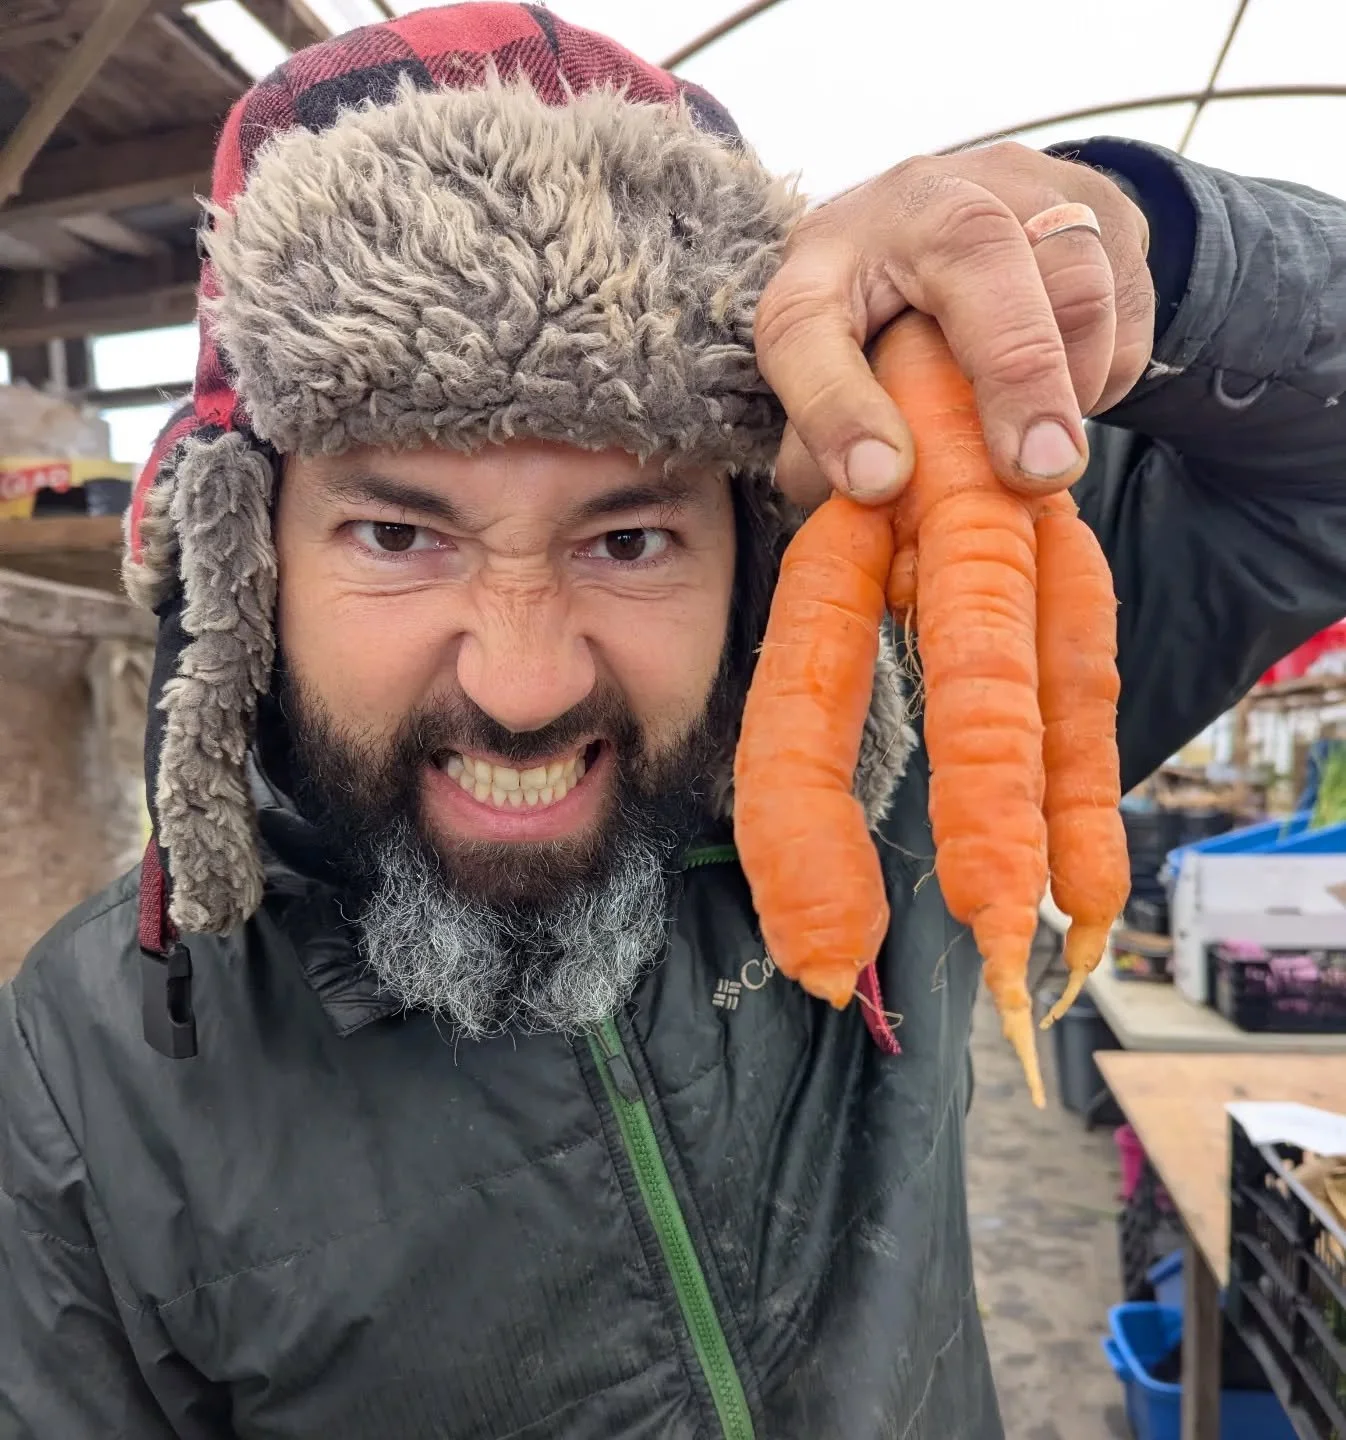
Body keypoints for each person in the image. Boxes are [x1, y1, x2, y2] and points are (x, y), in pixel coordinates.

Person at [3, 5, 1345, 1436]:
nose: (523, 686)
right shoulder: (94, 1057)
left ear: (752, 552)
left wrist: (1153, 246)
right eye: (399, 535)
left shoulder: (909, 755)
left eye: (628, 540)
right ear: (246, 561)